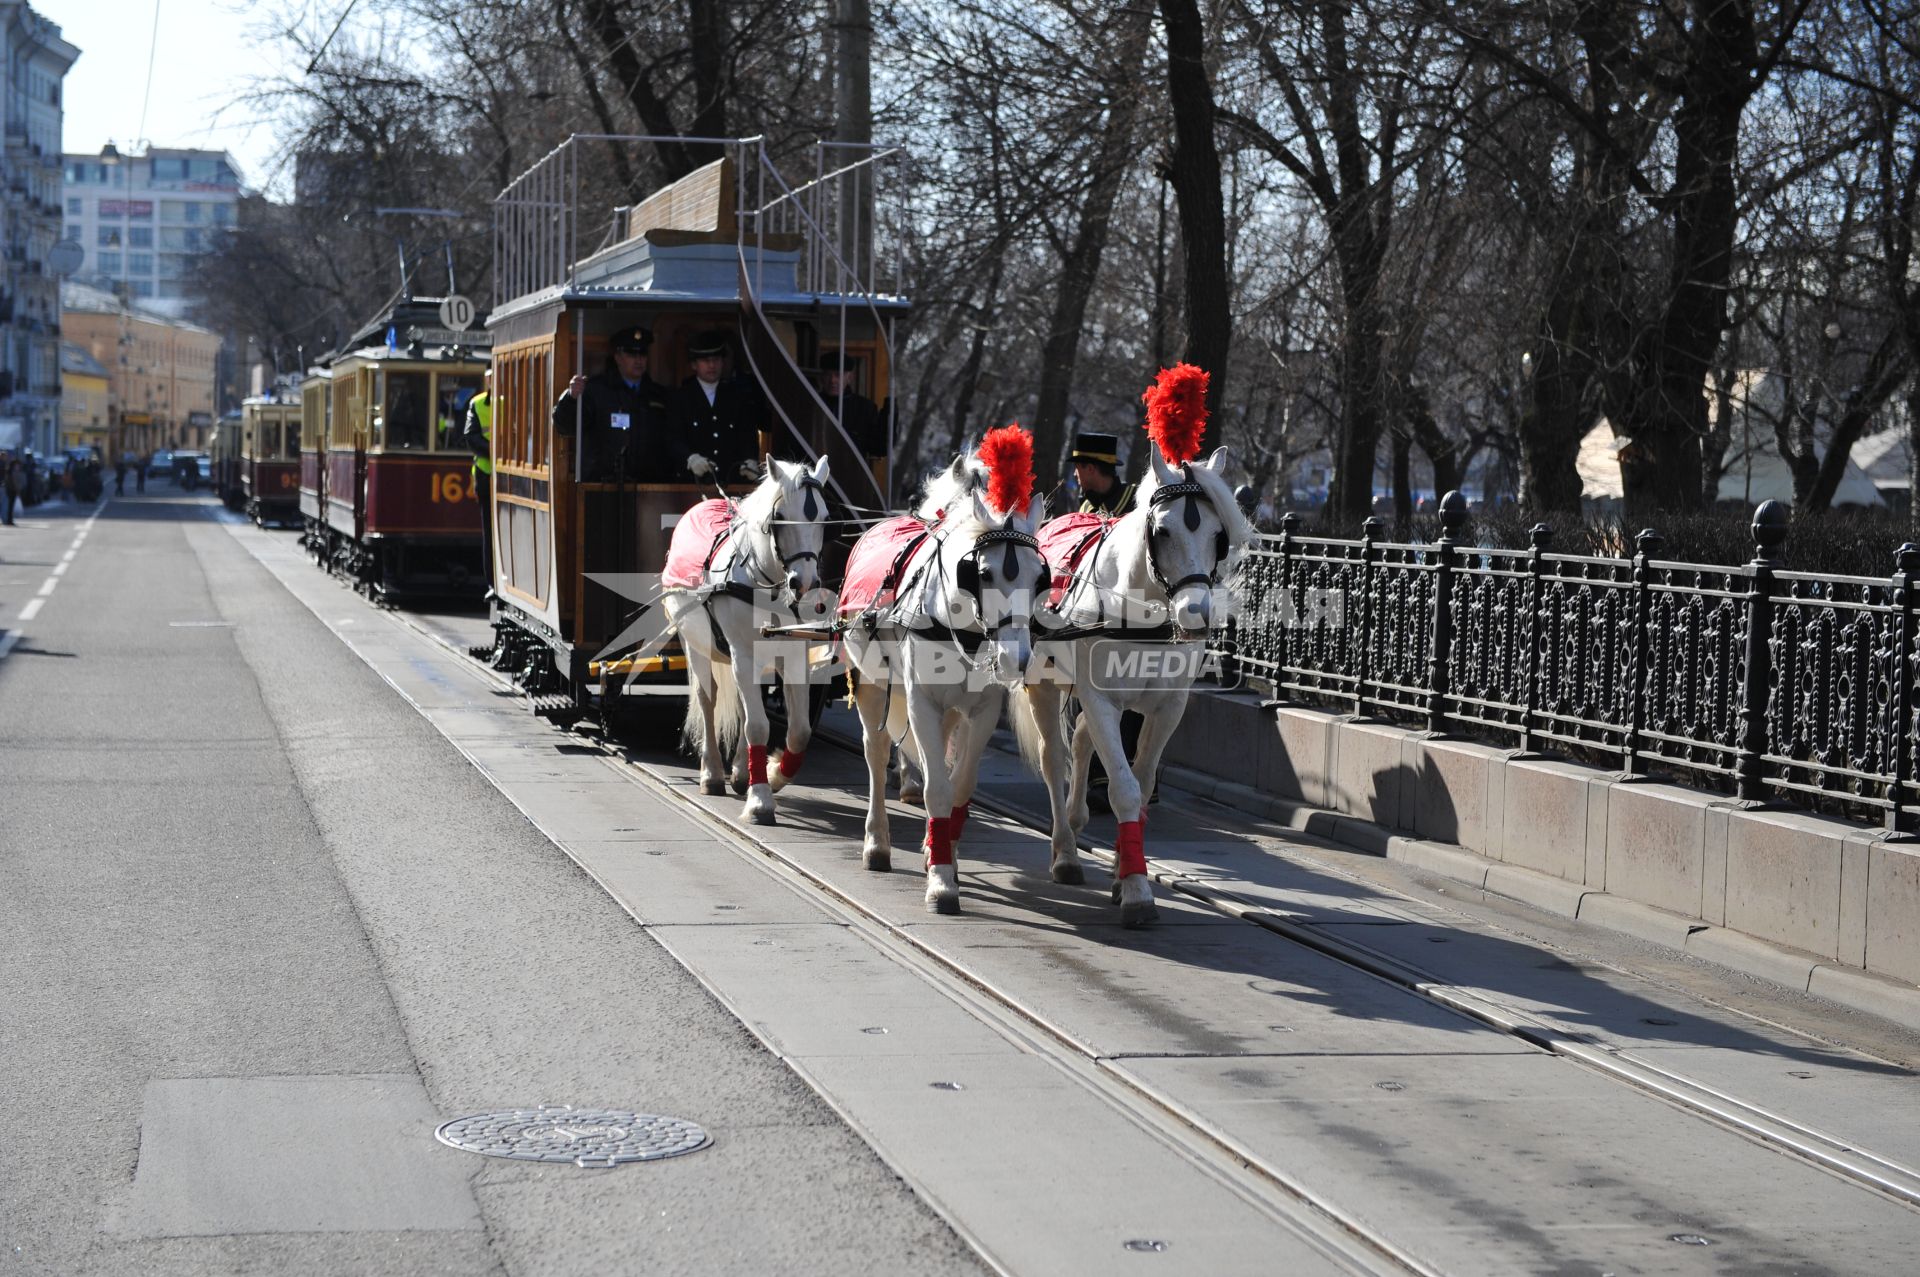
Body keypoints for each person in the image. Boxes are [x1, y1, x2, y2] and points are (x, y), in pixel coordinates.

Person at [550, 325, 683, 482]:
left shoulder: (659, 395)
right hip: (603, 486)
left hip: (649, 488)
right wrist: (571, 398)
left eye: (642, 354)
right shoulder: (596, 390)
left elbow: (670, 439)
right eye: (631, 354)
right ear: (618, 357)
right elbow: (565, 426)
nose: (638, 360)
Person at [671, 329, 765, 482]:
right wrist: (690, 458)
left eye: (716, 359)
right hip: (693, 484)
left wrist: (750, 460)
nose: (712, 365)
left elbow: (747, 435)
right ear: (694, 365)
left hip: (731, 483)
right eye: (705, 360)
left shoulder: (737, 397)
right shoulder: (681, 398)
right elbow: (673, 439)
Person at [818, 350, 886, 460]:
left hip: (850, 472)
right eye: (828, 374)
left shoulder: (864, 408)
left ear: (849, 377)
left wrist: (888, 417)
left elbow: (878, 448)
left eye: (838, 375)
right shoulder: (813, 403)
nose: (832, 380)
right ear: (821, 377)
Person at [464, 367, 495, 593]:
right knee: (490, 534)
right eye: (491, 378)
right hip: (486, 476)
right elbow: (471, 437)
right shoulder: (477, 404)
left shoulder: (514, 400)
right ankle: (492, 581)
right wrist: (497, 450)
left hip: (513, 479)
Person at [1067, 430, 1137, 517]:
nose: (1074, 474)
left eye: (1077, 469)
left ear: (1090, 469)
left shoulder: (1136, 501)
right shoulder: (1086, 507)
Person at [2, 450, 18, 525]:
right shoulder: (5, 466)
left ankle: (7, 519)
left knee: (6, 504)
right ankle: (7, 520)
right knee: (6, 504)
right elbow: (10, 479)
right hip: (5, 487)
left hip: (5, 487)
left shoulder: (6, 466)